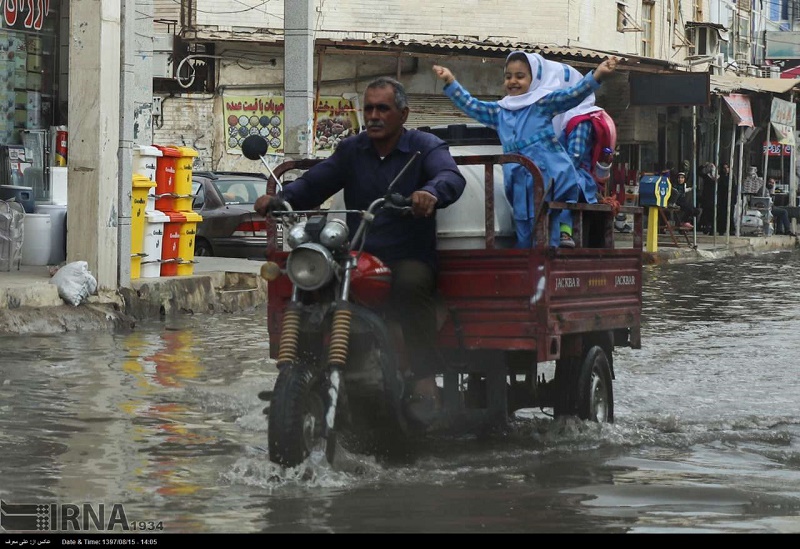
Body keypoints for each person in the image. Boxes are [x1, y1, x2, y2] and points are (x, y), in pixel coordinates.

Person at [254, 76, 467, 424]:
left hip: (406, 254)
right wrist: (283, 198)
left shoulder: (423, 147)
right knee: (311, 287)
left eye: (382, 108)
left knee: (412, 285)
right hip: (356, 256)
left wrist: (430, 193)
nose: (373, 116)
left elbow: (450, 177)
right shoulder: (352, 149)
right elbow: (316, 182)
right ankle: (303, 373)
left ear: (403, 113)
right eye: (368, 108)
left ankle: (424, 377)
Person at [433, 53, 618, 249]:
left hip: (548, 180)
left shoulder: (542, 105)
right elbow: (472, 106)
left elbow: (573, 95)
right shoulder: (499, 112)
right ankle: (528, 271)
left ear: (534, 78)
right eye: (508, 76)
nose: (513, 81)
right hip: (518, 181)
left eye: (520, 76)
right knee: (523, 226)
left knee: (547, 228)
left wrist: (597, 75)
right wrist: (451, 82)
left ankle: (547, 266)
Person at [716, 163, 737, 235]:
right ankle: (721, 229)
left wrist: (734, 199)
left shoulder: (732, 177)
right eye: (724, 168)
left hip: (730, 198)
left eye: (727, 168)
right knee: (722, 215)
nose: (726, 169)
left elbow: (734, 189)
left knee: (730, 214)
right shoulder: (720, 177)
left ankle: (731, 230)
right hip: (722, 198)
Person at [698, 162, 717, 234]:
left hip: (714, 197)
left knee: (713, 214)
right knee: (706, 213)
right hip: (706, 197)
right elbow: (699, 172)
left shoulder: (717, 177)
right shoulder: (706, 176)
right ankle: (705, 227)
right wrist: (704, 165)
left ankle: (712, 229)